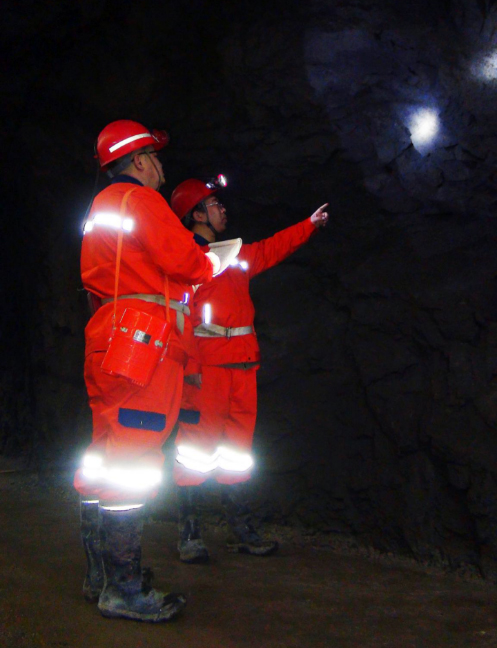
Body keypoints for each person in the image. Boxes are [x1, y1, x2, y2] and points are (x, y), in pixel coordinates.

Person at [73, 120, 221, 622]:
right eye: (155, 157)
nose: (160, 166)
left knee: (105, 455)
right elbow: (190, 264)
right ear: (137, 160)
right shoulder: (142, 201)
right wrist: (213, 262)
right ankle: (124, 588)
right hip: (142, 343)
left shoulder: (100, 208)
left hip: (106, 335)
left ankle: (101, 576)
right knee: (132, 461)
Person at [170, 176, 328, 563]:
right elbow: (179, 315)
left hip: (241, 365)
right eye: (214, 204)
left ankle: (241, 530)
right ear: (196, 215)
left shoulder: (235, 255)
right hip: (206, 369)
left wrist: (309, 225)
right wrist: (190, 366)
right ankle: (189, 533)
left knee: (237, 452)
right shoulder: (184, 259)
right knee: (194, 450)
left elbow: (273, 248)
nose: (223, 209)